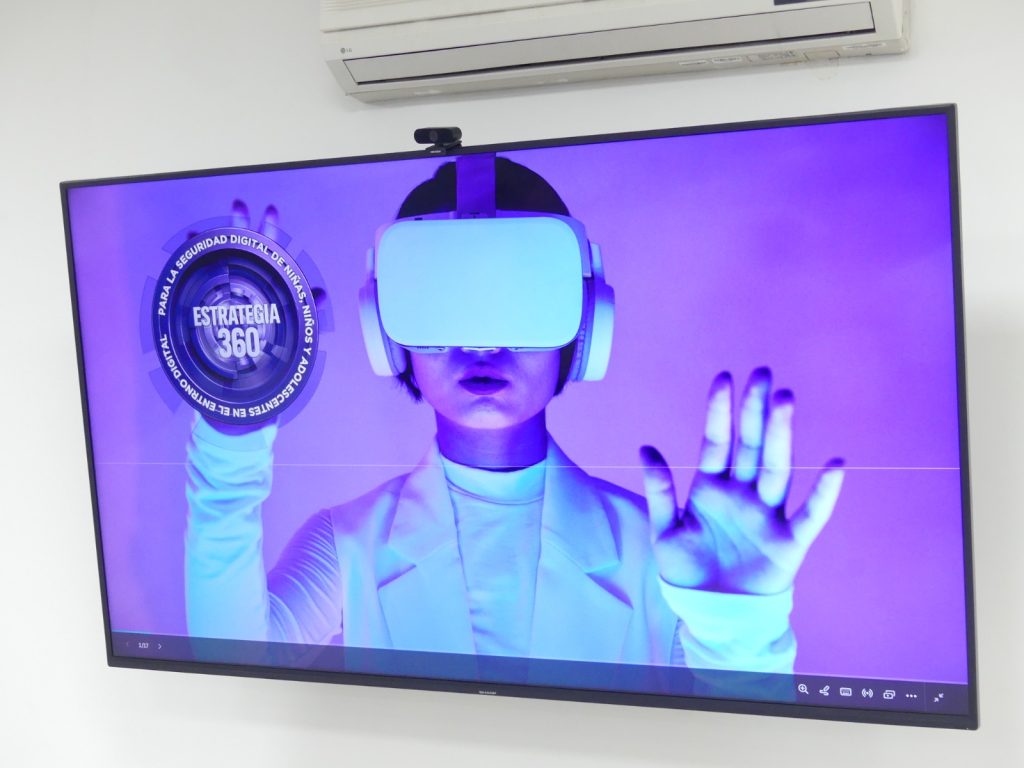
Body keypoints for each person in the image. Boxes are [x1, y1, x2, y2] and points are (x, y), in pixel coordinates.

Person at [184, 159, 844, 678]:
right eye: (443, 301)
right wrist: (232, 414)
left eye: (521, 297)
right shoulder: (344, 544)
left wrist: (740, 630)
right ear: (388, 332)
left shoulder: (667, 557)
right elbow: (232, 667)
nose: (481, 343)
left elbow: (739, 748)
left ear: (583, 328)